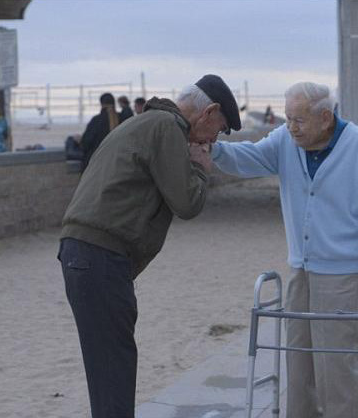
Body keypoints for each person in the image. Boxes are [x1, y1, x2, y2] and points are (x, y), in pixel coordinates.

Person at [211, 82, 358, 418]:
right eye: (287, 119)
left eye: (298, 120)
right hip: (302, 271)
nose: (291, 127)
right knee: (298, 365)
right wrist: (211, 150)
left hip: (345, 274)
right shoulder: (286, 140)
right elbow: (250, 157)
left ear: (326, 117)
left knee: (336, 370)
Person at [58, 74, 241, 418]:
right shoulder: (167, 127)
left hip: (84, 254)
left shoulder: (149, 121)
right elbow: (187, 203)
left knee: (108, 368)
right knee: (114, 371)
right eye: (221, 128)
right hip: (100, 258)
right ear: (209, 111)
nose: (216, 138)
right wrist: (200, 169)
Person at [80, 92, 120, 170]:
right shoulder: (121, 118)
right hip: (116, 162)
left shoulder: (96, 120)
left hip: (97, 163)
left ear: (101, 104)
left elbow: (86, 142)